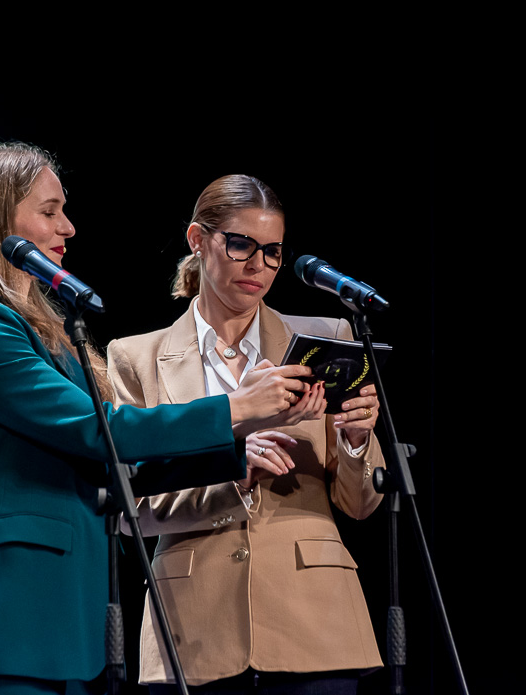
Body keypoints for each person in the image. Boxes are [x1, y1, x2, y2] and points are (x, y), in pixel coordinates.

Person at [0, 145, 315, 695]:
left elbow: (118, 469)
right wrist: (236, 408)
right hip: (9, 621)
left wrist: (234, 460)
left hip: (71, 624)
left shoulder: (48, 334)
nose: (67, 227)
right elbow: (102, 431)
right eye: (49, 211)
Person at [107, 175, 385, 694]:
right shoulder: (135, 357)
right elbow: (130, 511)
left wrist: (355, 441)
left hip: (315, 620)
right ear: (197, 240)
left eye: (273, 251)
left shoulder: (327, 337)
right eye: (241, 244)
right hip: (193, 626)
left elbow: (362, 503)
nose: (258, 265)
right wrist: (232, 465)